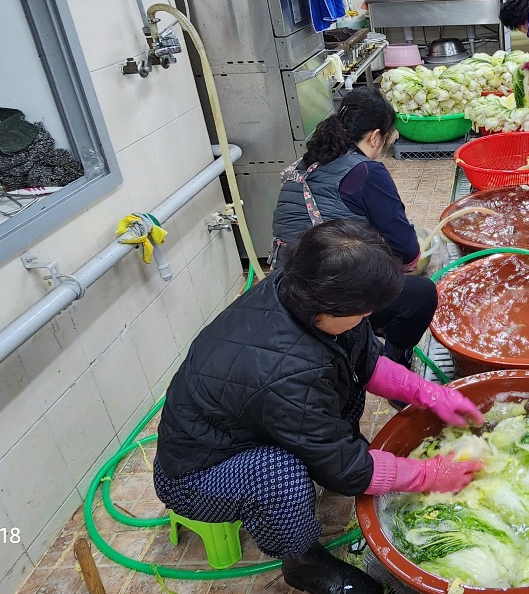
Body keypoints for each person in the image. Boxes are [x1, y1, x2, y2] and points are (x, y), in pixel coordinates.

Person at [154, 220, 485, 594]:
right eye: (363, 312)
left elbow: (363, 361)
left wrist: (427, 393)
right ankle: (303, 562)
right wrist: (428, 475)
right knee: (280, 473)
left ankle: (329, 465)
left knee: (342, 387)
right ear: (329, 310)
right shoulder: (286, 372)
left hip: (246, 425)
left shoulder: (306, 293)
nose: (368, 319)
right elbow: (347, 470)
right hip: (196, 474)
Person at [272, 88, 436, 368]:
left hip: (282, 293)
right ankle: (390, 362)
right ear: (375, 136)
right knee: (421, 294)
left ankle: (363, 339)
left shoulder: (303, 165)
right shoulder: (366, 172)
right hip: (324, 306)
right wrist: (409, 263)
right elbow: (407, 248)